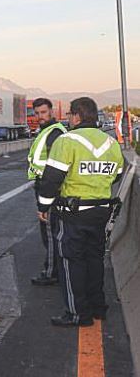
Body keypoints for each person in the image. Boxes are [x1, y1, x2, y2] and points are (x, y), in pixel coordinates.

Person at [37, 97, 124, 327]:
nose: (68, 118)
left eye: (69, 115)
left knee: (71, 261)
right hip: (101, 212)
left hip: (73, 213)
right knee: (94, 258)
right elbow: (118, 173)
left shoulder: (67, 141)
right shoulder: (110, 143)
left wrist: (43, 207)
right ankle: (98, 308)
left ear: (76, 115)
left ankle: (78, 314)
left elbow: (51, 180)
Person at [27, 98, 67, 286]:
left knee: (50, 233)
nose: (40, 116)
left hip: (50, 189)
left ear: (51, 111)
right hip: (44, 186)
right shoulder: (46, 131)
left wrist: (47, 196)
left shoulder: (55, 133)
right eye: (37, 113)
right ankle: (55, 269)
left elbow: (55, 166)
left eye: (43, 112)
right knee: (49, 232)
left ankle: (52, 272)